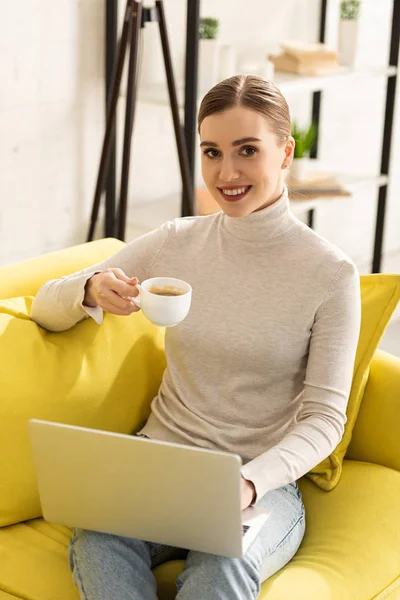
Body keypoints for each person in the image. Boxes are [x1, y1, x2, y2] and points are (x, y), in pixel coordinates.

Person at [31, 75, 361, 600]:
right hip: (160, 463)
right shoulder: (175, 242)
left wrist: (250, 481)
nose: (226, 173)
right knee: (98, 537)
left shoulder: (330, 274)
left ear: (285, 154)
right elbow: (45, 307)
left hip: (261, 486)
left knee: (220, 569)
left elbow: (325, 419)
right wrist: (90, 289)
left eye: (247, 150)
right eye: (212, 152)